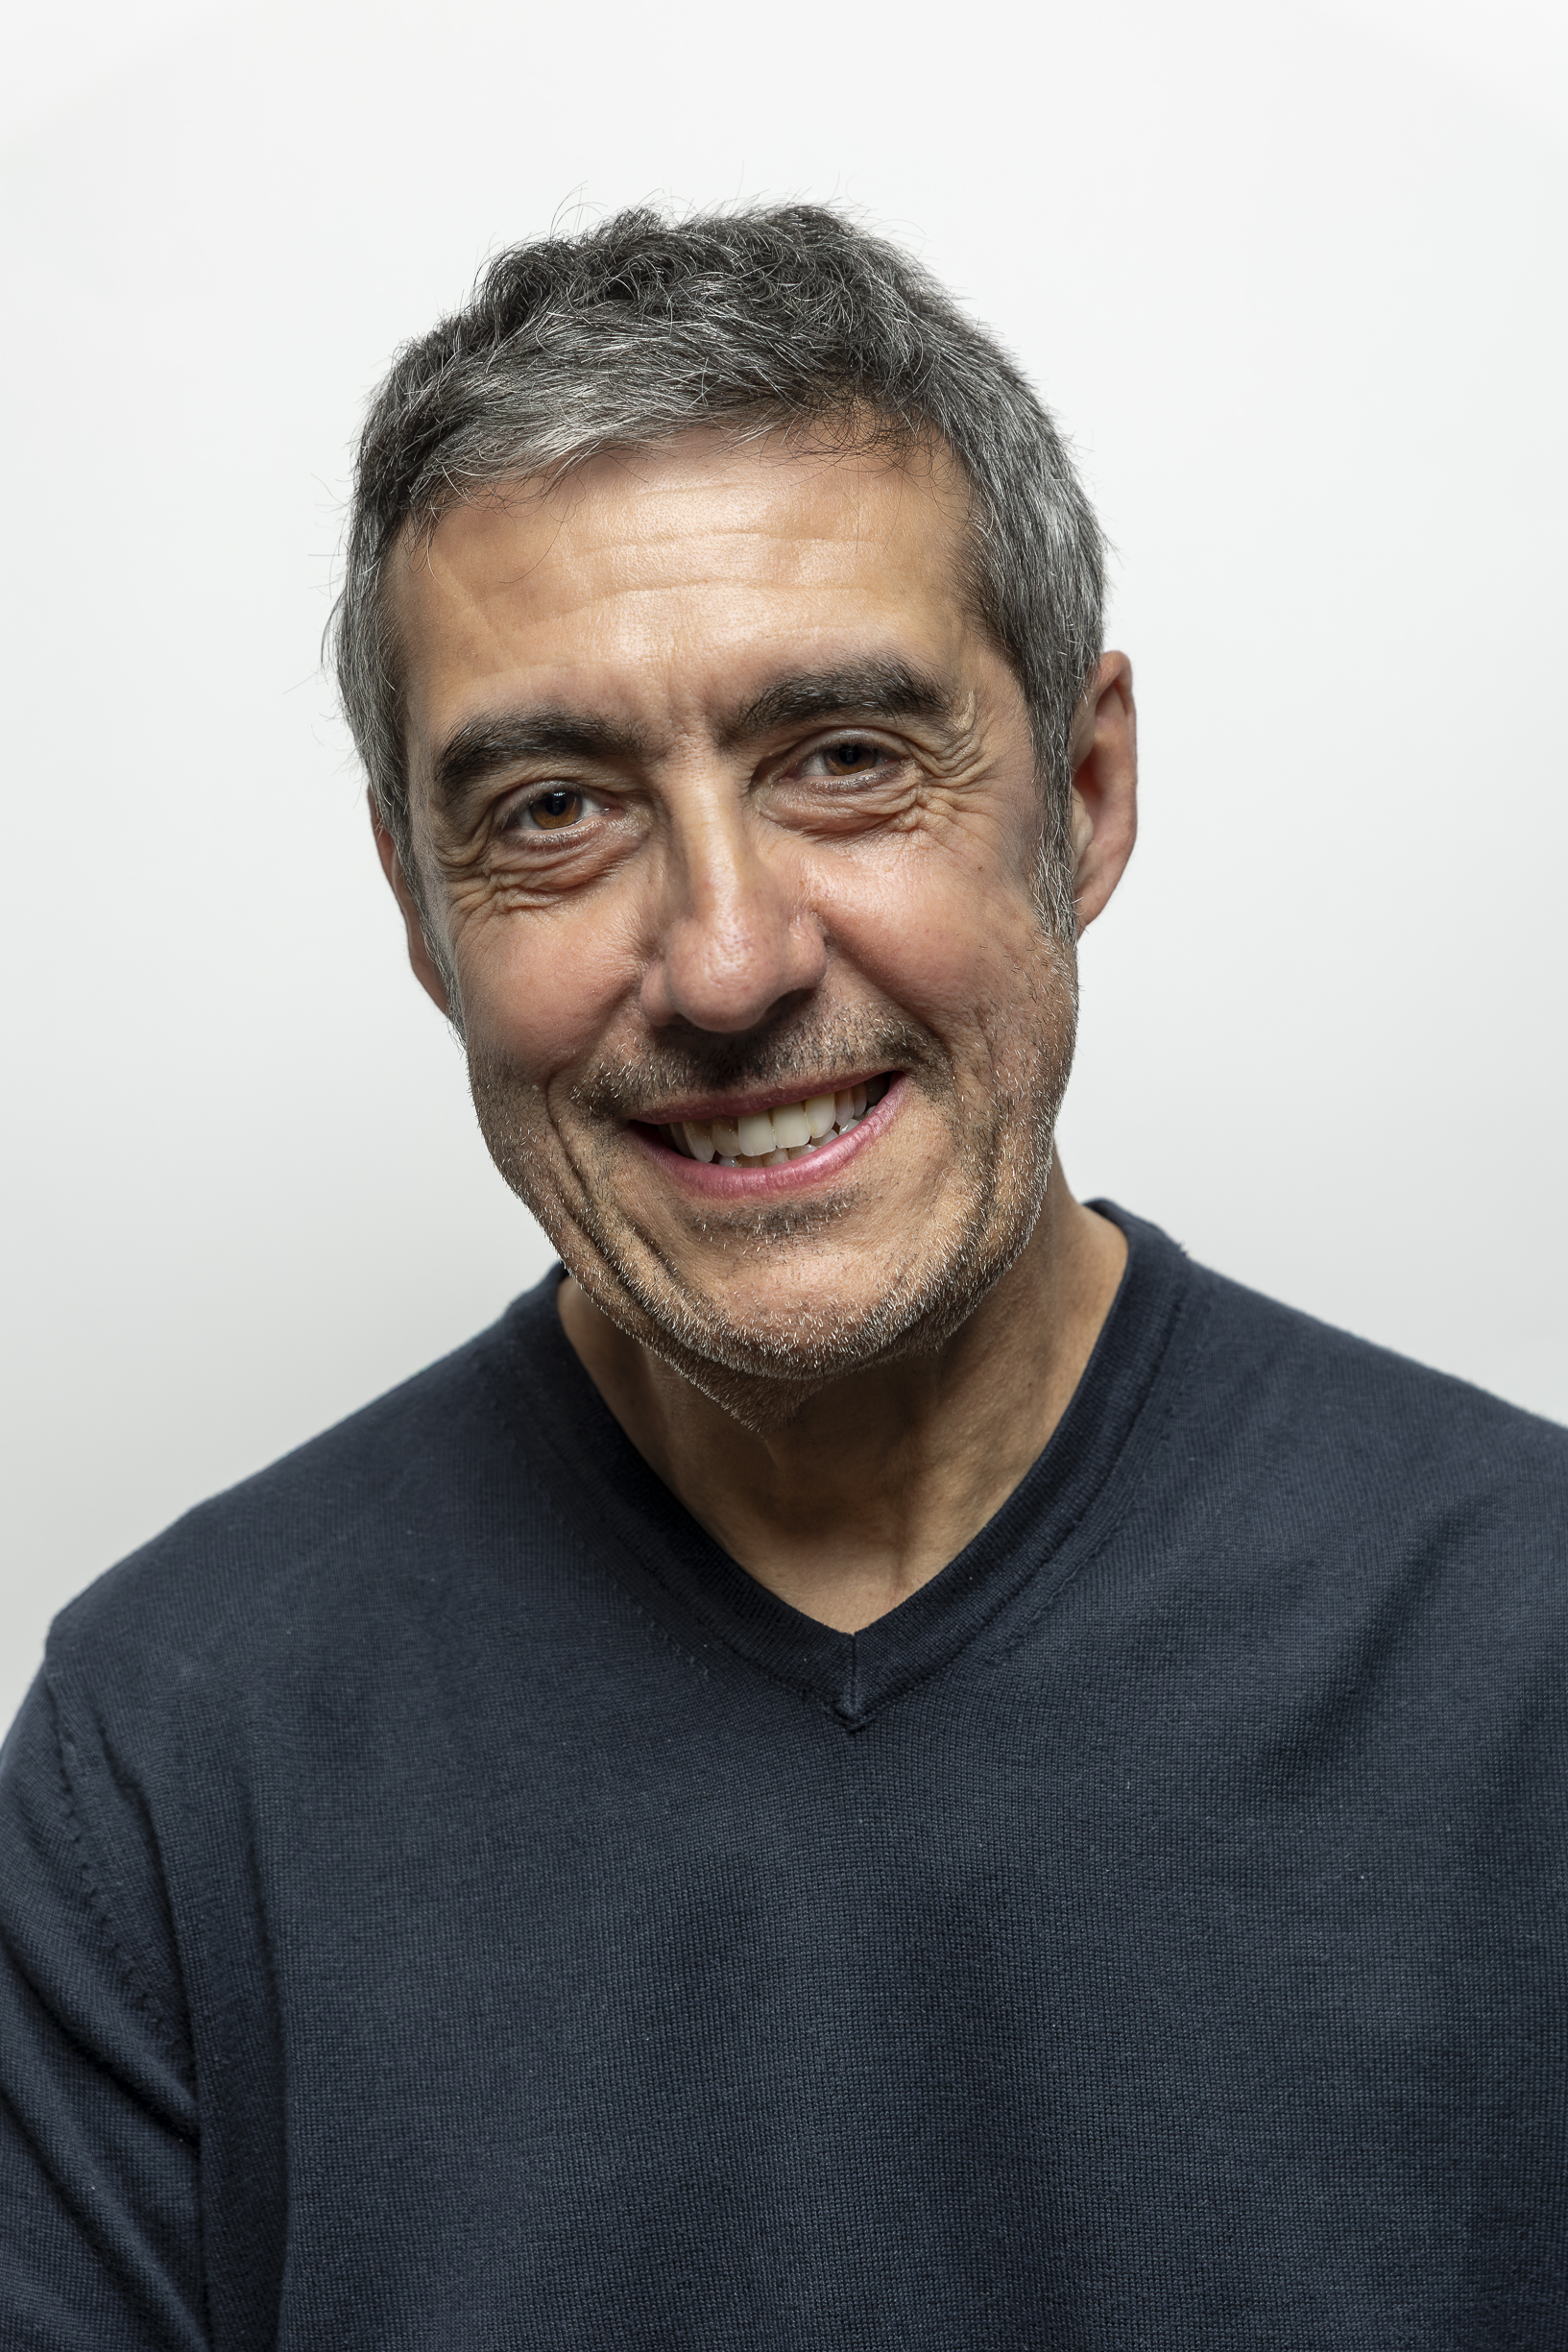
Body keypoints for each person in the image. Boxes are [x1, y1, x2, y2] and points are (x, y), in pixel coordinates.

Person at [3, 205, 1565, 2350]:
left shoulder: (1530, 1647)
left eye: (844, 760)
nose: (728, 961)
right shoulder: (171, 1756)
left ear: (1083, 791)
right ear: (420, 909)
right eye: (553, 809)